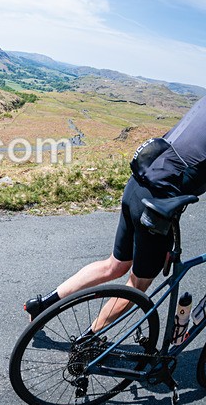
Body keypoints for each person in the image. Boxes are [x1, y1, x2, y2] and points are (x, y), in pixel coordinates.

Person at [24, 96, 206, 324]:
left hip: (139, 182)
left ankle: (43, 304)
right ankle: (89, 343)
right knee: (137, 286)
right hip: (156, 205)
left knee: (114, 265)